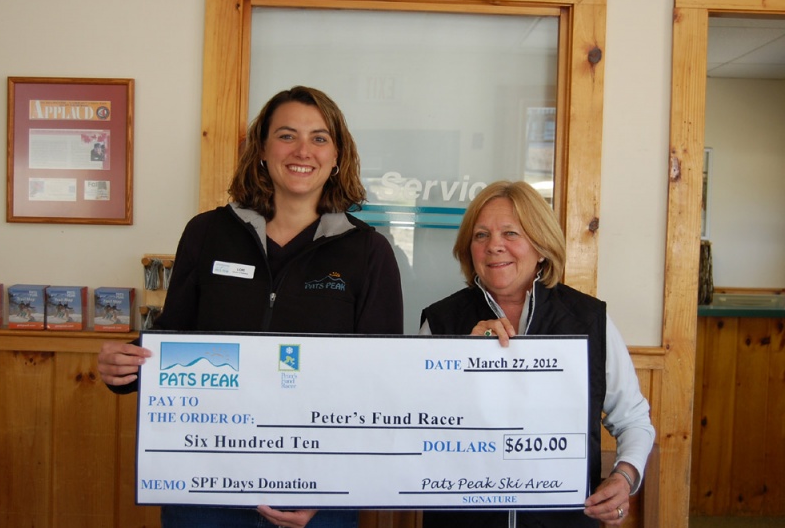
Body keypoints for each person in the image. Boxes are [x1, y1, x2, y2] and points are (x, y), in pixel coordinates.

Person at [97, 86, 404, 528]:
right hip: (205, 487)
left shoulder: (369, 252)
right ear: (262, 148)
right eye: (286, 135)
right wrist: (124, 365)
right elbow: (174, 337)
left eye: (319, 138)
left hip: (314, 491)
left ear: (338, 155)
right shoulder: (206, 233)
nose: (303, 151)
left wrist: (334, 487)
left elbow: (381, 380)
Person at [419, 180, 655, 528]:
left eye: (511, 233)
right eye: (481, 235)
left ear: (542, 246)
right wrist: (459, 363)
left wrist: (625, 477)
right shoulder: (440, 321)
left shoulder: (589, 319)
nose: (494, 246)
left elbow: (633, 419)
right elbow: (413, 424)